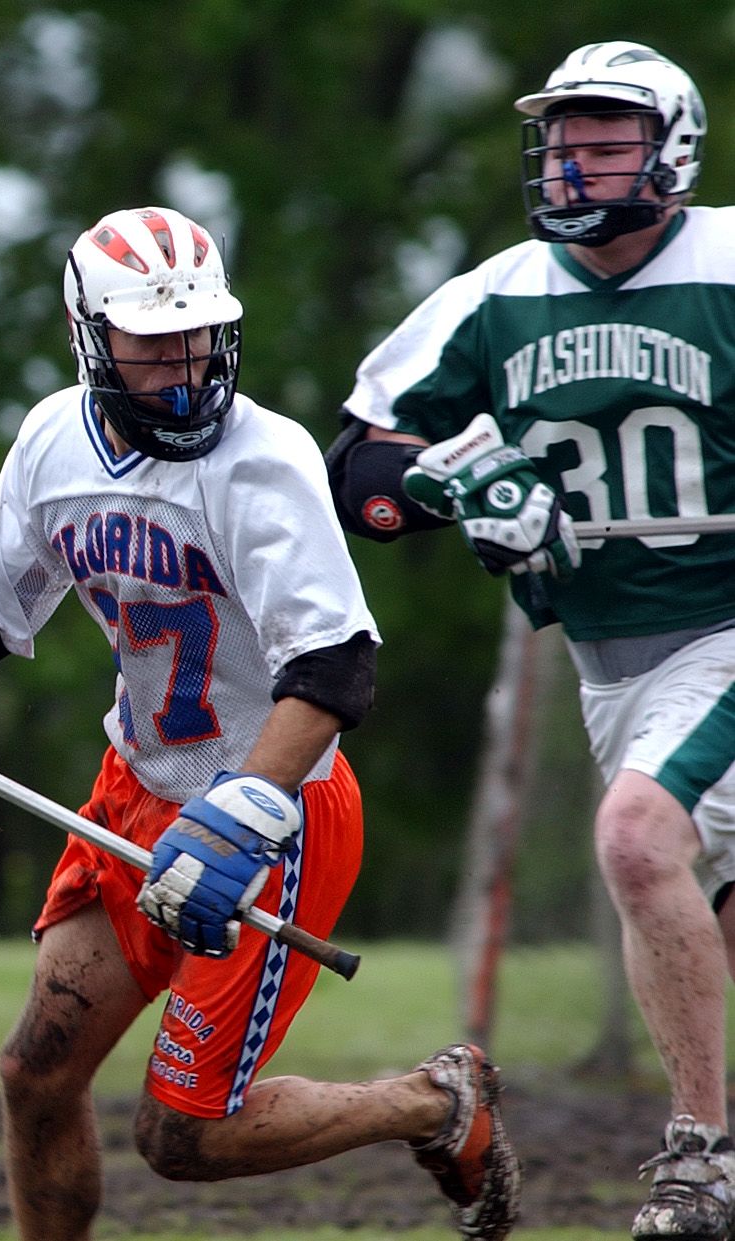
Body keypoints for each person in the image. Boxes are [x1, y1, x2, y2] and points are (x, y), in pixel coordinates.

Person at [0, 206, 520, 1241]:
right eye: (152, 342)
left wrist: (243, 809)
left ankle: (430, 1102)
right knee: (35, 1073)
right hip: (134, 790)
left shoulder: (262, 459)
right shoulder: (52, 439)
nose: (183, 368)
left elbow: (336, 667)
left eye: (198, 335)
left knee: (183, 1135)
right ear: (90, 336)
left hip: (270, 812)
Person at [326, 40, 735, 1241]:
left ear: (670, 151)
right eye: (560, 144)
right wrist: (460, 483)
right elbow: (355, 463)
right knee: (693, 893)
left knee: (632, 839)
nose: (570, 165)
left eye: (602, 142)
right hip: (605, 657)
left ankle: (698, 1160)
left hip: (722, 623)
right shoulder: (494, 293)